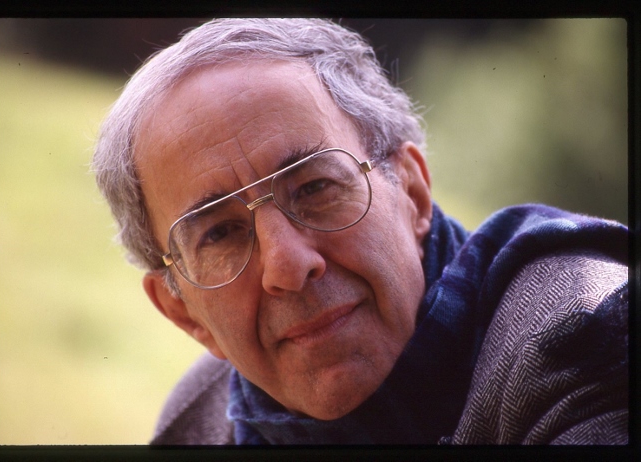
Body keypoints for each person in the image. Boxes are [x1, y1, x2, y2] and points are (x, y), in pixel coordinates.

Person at [92, 18, 628, 445]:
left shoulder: (582, 332)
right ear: (184, 312)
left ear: (413, 193)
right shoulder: (196, 428)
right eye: (220, 234)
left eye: (315, 187)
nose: (287, 266)